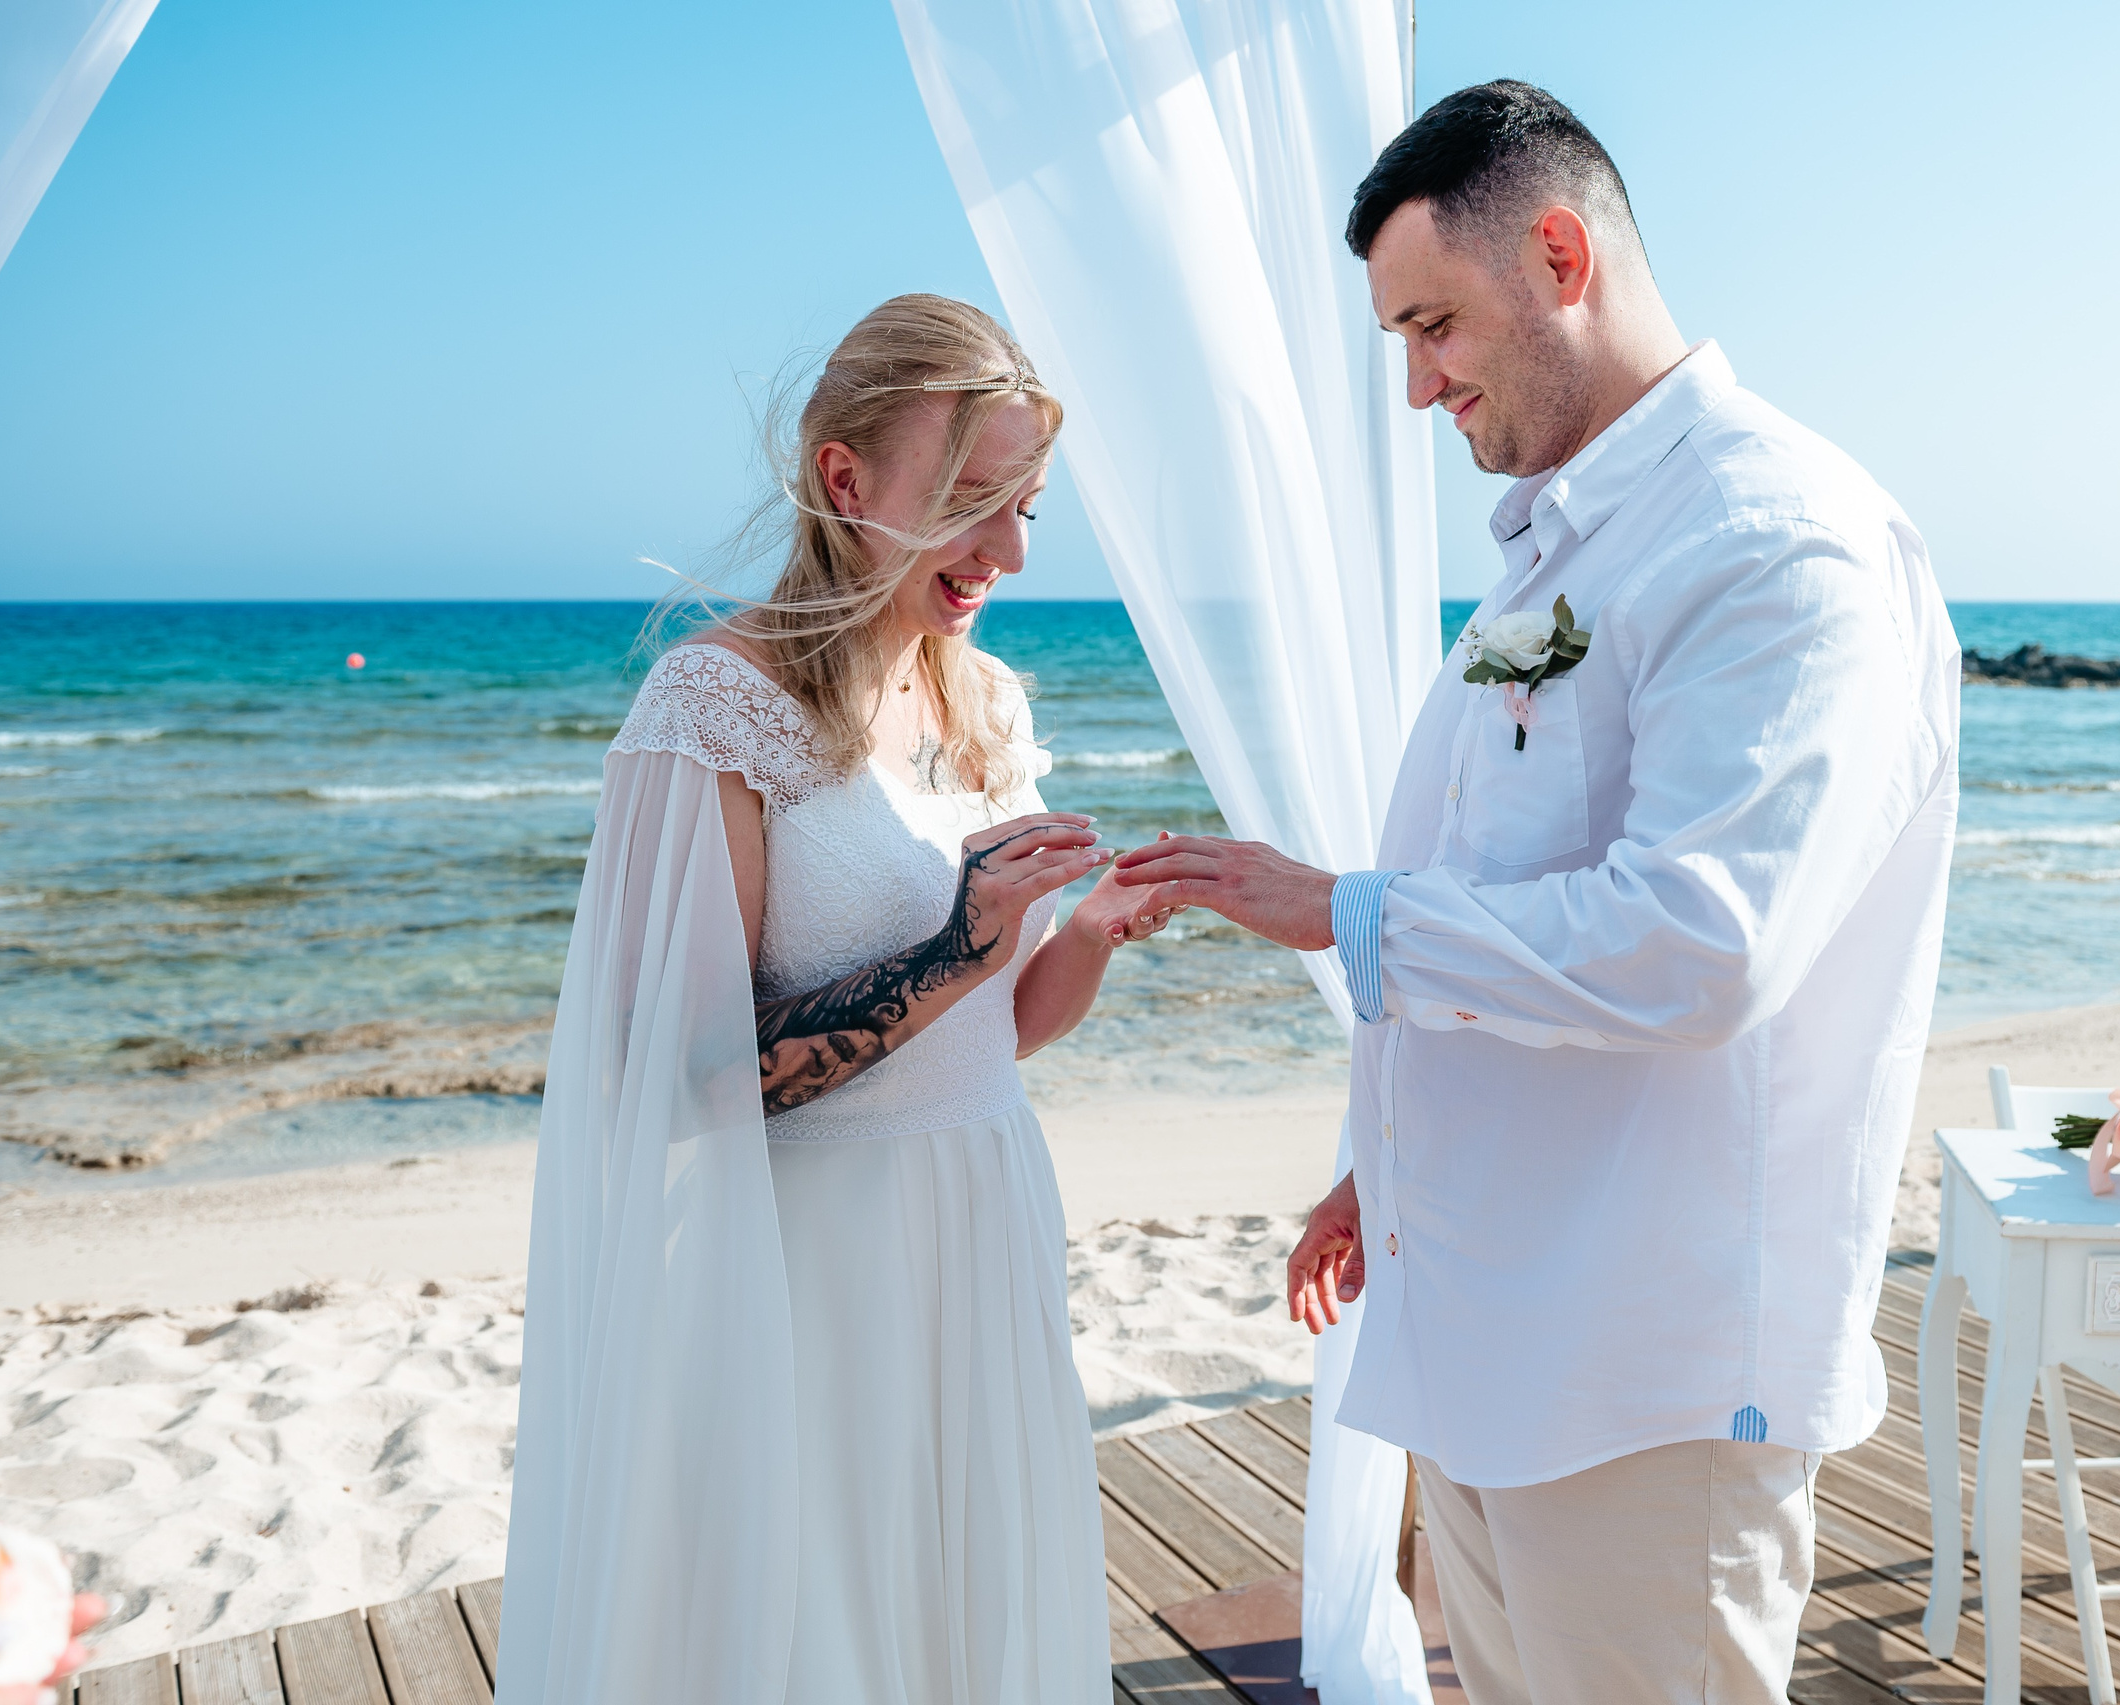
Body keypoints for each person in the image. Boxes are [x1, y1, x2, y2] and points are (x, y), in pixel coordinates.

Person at [1115, 82, 1960, 1704]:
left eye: (1432, 324)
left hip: (1644, 1375)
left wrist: (1342, 910)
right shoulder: (1567, 543)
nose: (1419, 383)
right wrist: (1385, 1158)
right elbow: (1507, 884)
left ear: (1561, 256)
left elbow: (1702, 939)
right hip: (1496, 1330)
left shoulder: (1777, 540)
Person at [496, 294, 1173, 1704]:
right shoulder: (714, 707)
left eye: (1027, 506)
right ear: (844, 478)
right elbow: (683, 1081)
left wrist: (1090, 931)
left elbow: (1002, 1029)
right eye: (971, 502)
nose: (1008, 552)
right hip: (820, 1263)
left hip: (984, 1218)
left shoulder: (985, 701)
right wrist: (951, 949)